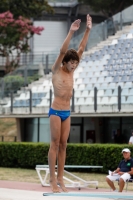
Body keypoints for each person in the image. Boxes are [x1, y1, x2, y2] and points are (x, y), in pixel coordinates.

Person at [48, 14, 92, 193]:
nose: (74, 66)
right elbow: (62, 51)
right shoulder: (56, 70)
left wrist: (88, 30)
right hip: (55, 112)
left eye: (75, 63)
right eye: (71, 63)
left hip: (67, 112)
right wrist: (71, 32)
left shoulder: (72, 72)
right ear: (65, 62)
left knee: (64, 145)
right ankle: (52, 180)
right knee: (55, 143)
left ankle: (61, 179)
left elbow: (81, 48)